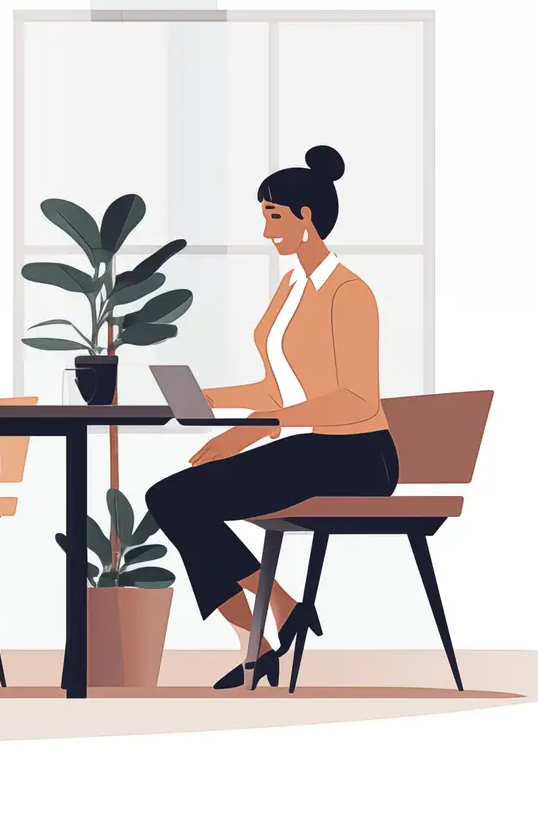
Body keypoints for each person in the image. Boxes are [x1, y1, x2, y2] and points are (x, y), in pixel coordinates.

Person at [144, 145, 398, 690]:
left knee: (177, 498)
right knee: (170, 497)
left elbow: (355, 396)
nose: (266, 231)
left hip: (357, 455)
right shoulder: (290, 288)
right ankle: (268, 620)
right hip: (315, 446)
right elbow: (277, 385)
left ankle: (271, 620)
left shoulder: (350, 292)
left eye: (274, 216)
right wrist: (205, 397)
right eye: (263, 215)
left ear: (307, 218)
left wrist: (255, 429)